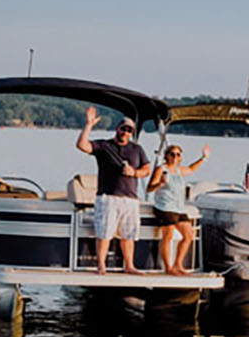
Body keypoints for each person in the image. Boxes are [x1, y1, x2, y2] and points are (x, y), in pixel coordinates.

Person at [76, 106, 153, 274]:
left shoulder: (137, 149)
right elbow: (82, 145)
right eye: (123, 128)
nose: (125, 132)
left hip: (130, 199)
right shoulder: (104, 146)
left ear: (132, 133)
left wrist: (134, 172)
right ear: (117, 128)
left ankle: (129, 266)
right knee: (104, 233)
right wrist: (89, 125)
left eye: (129, 130)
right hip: (108, 197)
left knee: (129, 234)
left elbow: (147, 169)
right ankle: (101, 266)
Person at [147, 142, 209, 274]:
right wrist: (160, 184)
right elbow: (149, 188)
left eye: (178, 154)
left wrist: (203, 158)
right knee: (168, 235)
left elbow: (191, 168)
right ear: (167, 156)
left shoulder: (179, 171)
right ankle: (168, 268)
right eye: (172, 154)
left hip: (178, 208)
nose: (175, 157)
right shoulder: (161, 169)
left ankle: (178, 264)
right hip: (164, 207)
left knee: (188, 235)